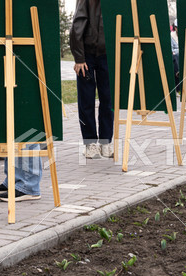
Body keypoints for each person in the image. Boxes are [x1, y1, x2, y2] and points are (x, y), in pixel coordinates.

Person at [70, 0, 114, 159]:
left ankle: (105, 142)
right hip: (87, 55)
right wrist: (79, 58)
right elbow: (77, 24)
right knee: (86, 99)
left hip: (109, 53)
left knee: (108, 99)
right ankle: (90, 144)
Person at [171, 19, 180, 93]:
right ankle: (178, 72)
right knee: (175, 56)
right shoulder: (171, 35)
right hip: (176, 56)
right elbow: (172, 48)